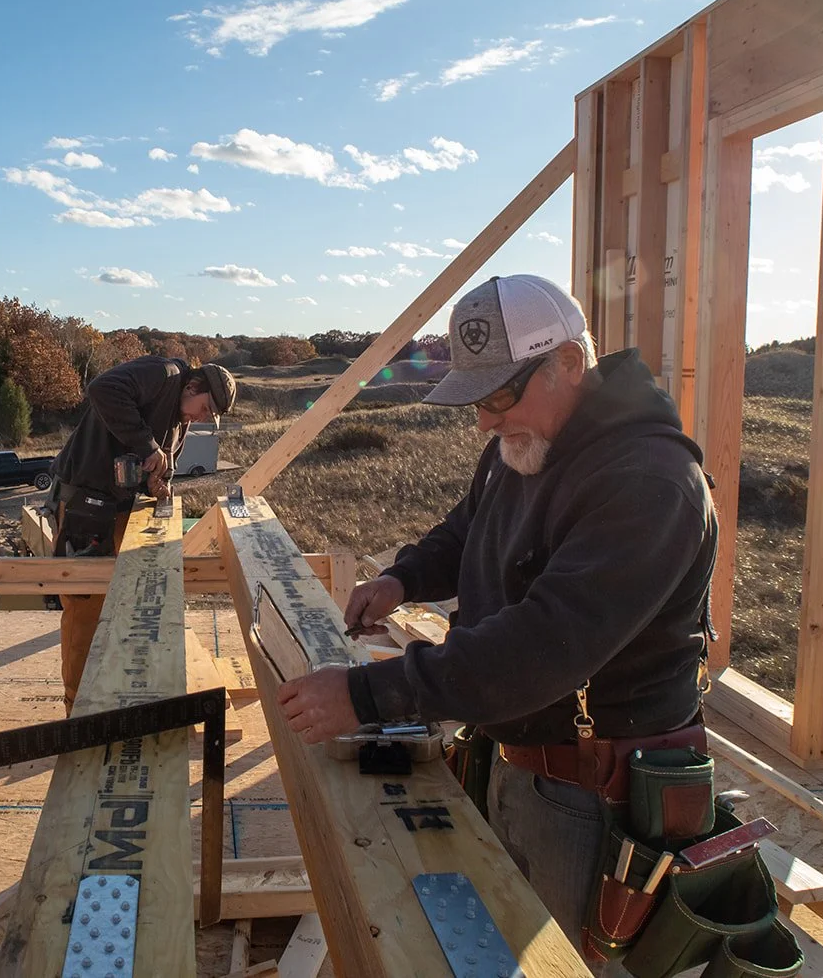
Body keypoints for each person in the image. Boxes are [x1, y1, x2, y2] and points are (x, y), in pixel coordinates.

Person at [276, 274, 717, 949]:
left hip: (593, 793)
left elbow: (543, 647)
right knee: (497, 945)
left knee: (556, 960)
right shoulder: (522, 443)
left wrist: (367, 694)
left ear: (568, 363)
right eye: (475, 401)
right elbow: (470, 528)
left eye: (500, 396)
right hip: (517, 758)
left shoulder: (648, 482)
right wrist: (404, 579)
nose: (484, 421)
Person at [50, 355, 237, 711]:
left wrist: (159, 481)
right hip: (83, 505)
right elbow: (101, 388)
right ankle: (78, 708)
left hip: (118, 508)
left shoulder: (180, 421)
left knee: (128, 600)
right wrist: (146, 446)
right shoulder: (163, 375)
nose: (202, 418)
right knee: (83, 606)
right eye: (205, 408)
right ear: (193, 386)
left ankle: (117, 687)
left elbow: (164, 462)